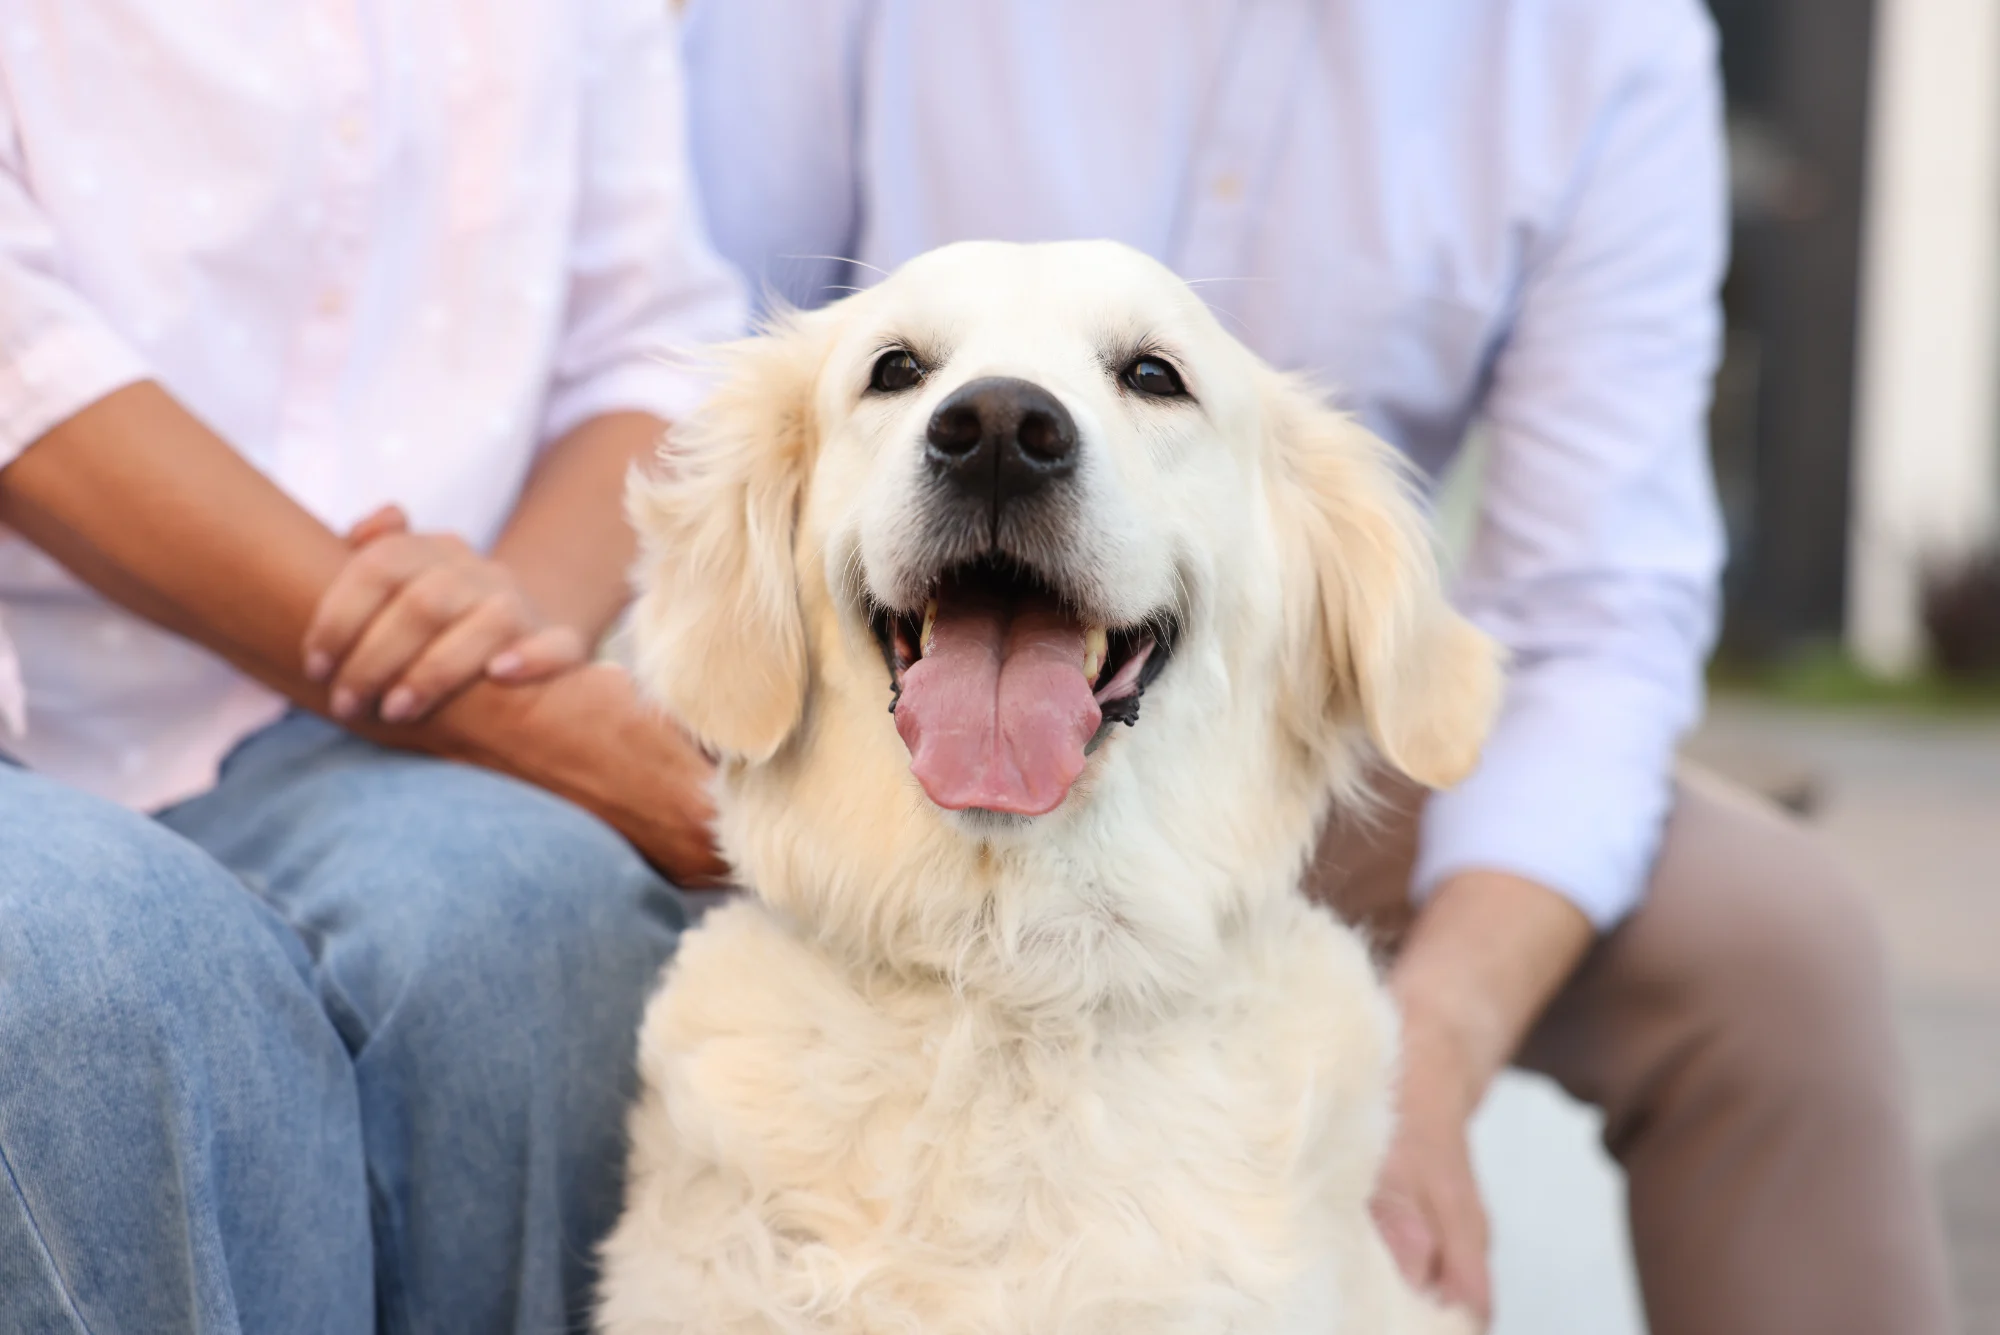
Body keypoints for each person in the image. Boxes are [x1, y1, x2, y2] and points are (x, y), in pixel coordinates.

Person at [677, 3, 1957, 1332]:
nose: (1005, 426)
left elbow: (1592, 615)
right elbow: (680, 352)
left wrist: (1431, 1058)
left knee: (1779, 949)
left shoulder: (1599, 40)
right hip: (836, 720)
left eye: (1149, 377)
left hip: (1269, 737)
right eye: (913, 368)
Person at [0, 2, 740, 1330]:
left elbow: (652, 346)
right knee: (92, 972)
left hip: (403, 713)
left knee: (536, 923)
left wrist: (504, 618)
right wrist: (515, 712)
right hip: (44, 697)